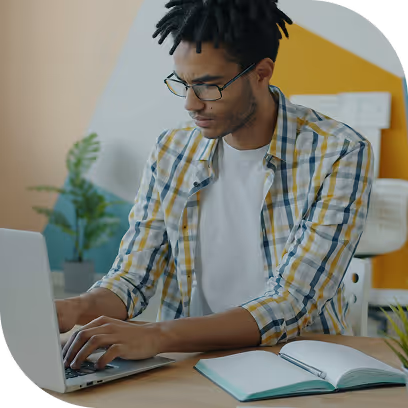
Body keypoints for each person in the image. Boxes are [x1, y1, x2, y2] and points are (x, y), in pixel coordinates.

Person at [58, 0, 374, 371]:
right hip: (190, 362)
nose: (192, 104)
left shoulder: (339, 151)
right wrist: (75, 308)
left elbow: (290, 302)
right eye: (184, 84)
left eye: (208, 86)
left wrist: (157, 335)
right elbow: (134, 276)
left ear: (261, 73)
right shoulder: (172, 150)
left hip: (298, 363)